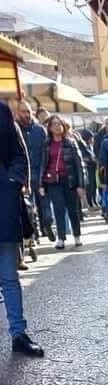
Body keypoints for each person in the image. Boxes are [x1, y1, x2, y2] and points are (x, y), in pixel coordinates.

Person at [0, 101, 43, 356]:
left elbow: (19, 154)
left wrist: (12, 181)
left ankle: (19, 334)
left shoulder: (3, 112)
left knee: (9, 276)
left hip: (2, 201)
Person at [39, 115, 85, 249]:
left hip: (69, 180)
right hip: (53, 181)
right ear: (50, 128)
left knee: (73, 210)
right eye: (54, 124)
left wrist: (81, 185)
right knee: (58, 210)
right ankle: (61, 238)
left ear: (64, 126)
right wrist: (41, 183)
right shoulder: (47, 144)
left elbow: (79, 164)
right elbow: (43, 164)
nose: (57, 126)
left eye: (60, 124)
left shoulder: (70, 142)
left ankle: (77, 236)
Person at [15, 100, 53, 241]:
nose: (26, 114)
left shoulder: (40, 129)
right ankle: (34, 233)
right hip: (24, 175)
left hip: (41, 172)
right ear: (17, 113)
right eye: (23, 111)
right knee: (29, 206)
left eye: (28, 111)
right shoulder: (15, 129)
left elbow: (47, 151)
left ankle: (47, 224)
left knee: (45, 204)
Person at [77, 129, 98, 207]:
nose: (92, 140)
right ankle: (90, 202)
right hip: (88, 169)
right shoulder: (82, 146)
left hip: (92, 168)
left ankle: (93, 201)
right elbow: (84, 157)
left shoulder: (89, 146)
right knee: (90, 186)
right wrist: (91, 159)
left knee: (94, 186)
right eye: (91, 138)